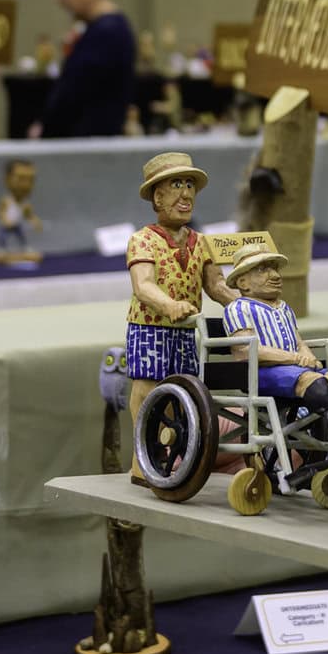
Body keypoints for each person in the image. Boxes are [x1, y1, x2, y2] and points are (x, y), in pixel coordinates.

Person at [221, 241, 328, 456]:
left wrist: (305, 354)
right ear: (243, 282)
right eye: (262, 270)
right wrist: (294, 358)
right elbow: (245, 351)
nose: (274, 275)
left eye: (274, 268)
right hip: (259, 372)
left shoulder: (283, 308)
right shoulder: (238, 308)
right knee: (312, 381)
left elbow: (298, 340)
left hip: (290, 369)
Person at [125, 152, 236, 481]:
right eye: (177, 185)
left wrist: (246, 303)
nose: (186, 194)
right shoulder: (142, 240)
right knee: (148, 390)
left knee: (183, 394)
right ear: (158, 196)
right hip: (150, 328)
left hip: (187, 332)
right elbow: (143, 286)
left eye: (190, 185)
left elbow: (216, 286)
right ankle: (142, 461)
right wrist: (170, 305)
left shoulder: (201, 243)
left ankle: (172, 460)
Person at [29, 0, 136, 139]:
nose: (59, 0)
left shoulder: (107, 33)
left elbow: (72, 96)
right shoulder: (104, 29)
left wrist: (45, 130)